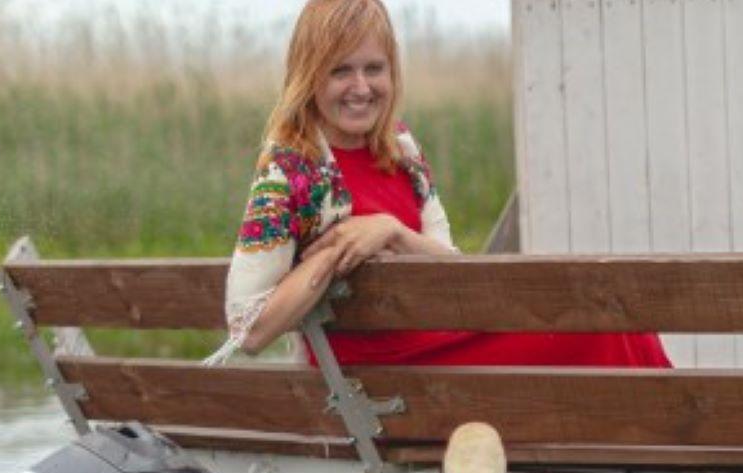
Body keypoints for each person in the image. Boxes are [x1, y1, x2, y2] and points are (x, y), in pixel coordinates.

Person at [208, 0, 669, 369]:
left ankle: (671, 449)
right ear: (309, 79)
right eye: (341, 71)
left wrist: (390, 232)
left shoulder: (401, 150)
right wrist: (333, 255)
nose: (362, 87)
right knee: (605, 331)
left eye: (374, 68)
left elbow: (452, 271)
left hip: (442, 344)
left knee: (618, 317)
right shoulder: (291, 170)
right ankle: (678, 446)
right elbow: (249, 328)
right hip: (392, 377)